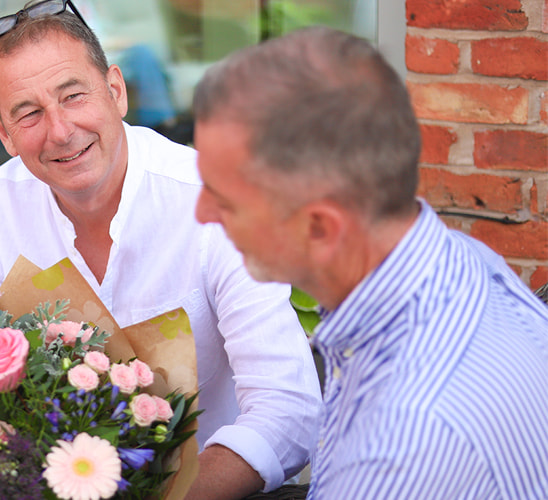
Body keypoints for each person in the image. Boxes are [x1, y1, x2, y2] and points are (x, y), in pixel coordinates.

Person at [0, 1, 323, 498]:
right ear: (3, 132)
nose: (60, 131)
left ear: (116, 91)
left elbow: (288, 408)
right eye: (29, 113)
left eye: (73, 96)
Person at [192, 27, 548, 498]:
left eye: (225, 200)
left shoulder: (395, 450)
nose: (201, 213)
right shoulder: (460, 259)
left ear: (321, 228)